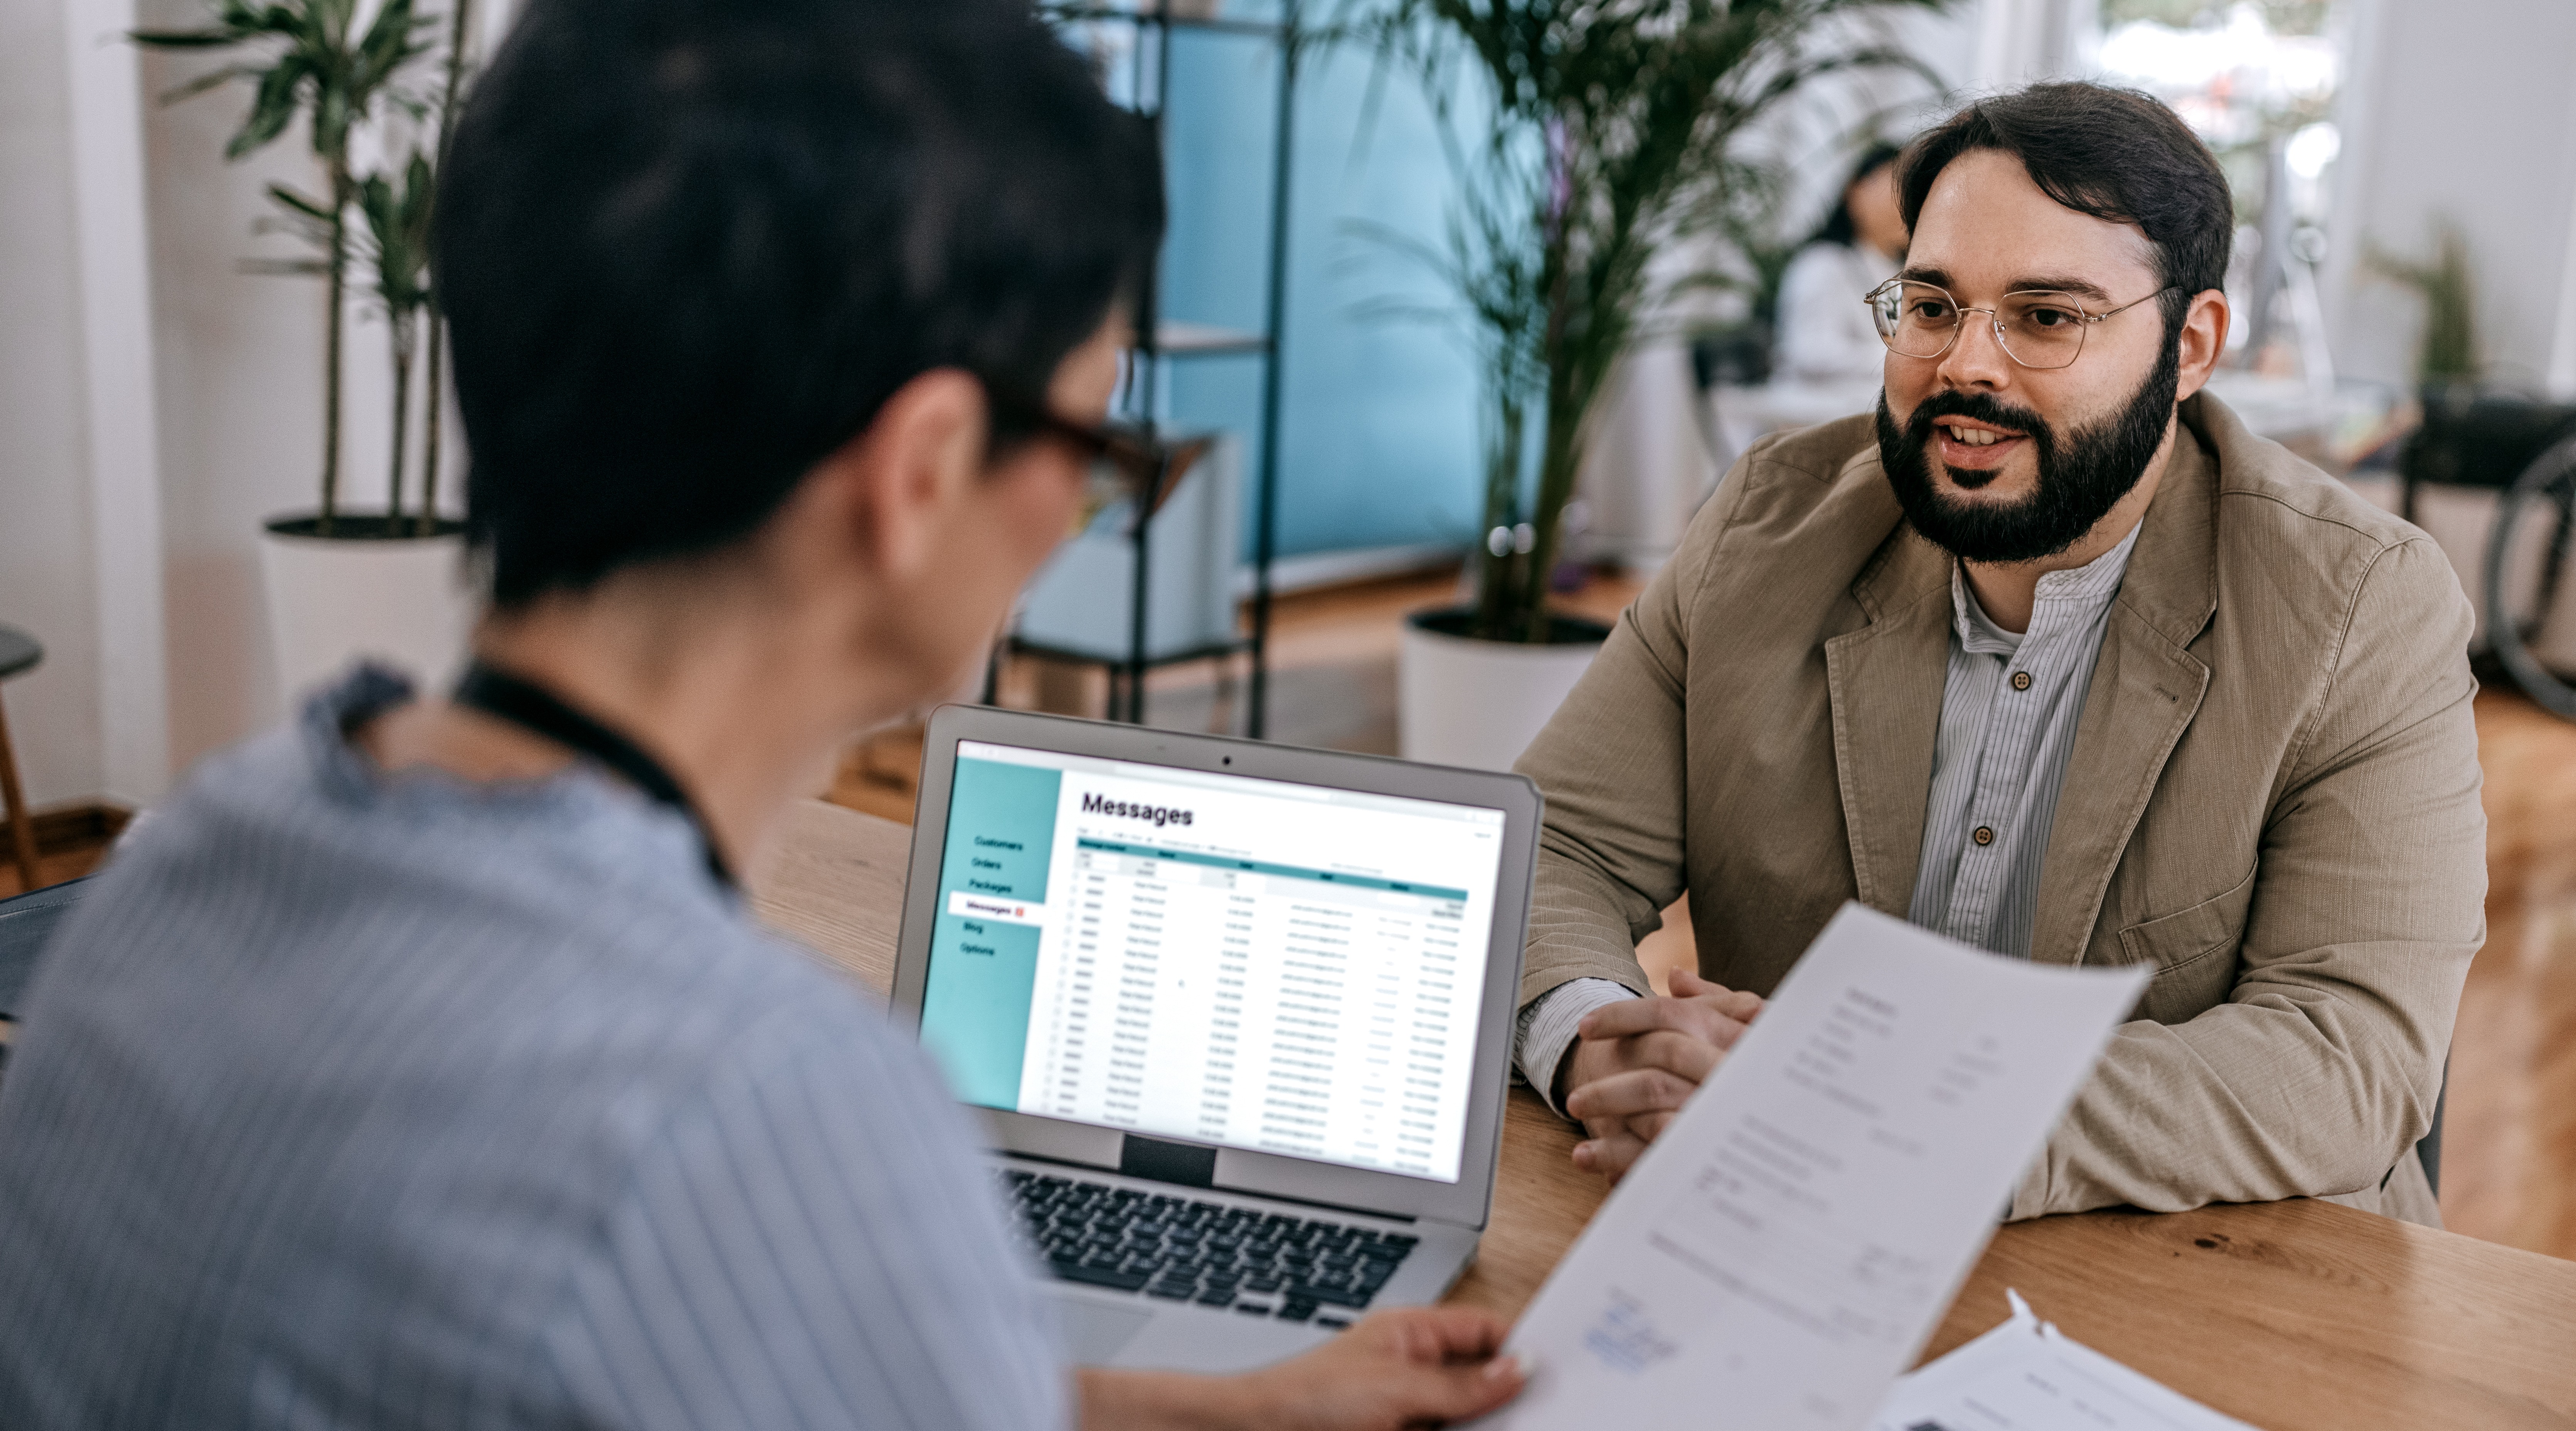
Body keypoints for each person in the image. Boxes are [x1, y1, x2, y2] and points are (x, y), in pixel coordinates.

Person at [0, 2, 1524, 1426]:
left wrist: (1228, 1402)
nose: (1075, 512)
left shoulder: (175, 874)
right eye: (1091, 438)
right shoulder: (759, 1115)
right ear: (920, 471)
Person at [1512, 84, 2483, 1225]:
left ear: (2192, 345)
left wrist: (1888, 1116)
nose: (1966, 366)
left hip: (2206, 1274)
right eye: (1932, 305)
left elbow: (2347, 1058)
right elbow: (1552, 844)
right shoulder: (1770, 523)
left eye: (2046, 317)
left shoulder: (2362, 601)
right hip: (1775, 1232)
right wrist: (1594, 1045)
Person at [1767, 143, 1911, 422]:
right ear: (1854, 192)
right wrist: (1904, 357)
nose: (1905, 203)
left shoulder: (1900, 273)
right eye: (1894, 187)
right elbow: (1811, 352)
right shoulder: (1822, 265)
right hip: (1813, 419)